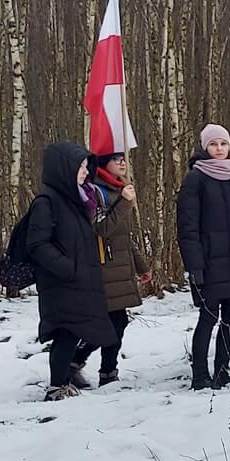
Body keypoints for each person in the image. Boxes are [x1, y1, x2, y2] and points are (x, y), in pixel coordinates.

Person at [23, 142, 118, 400]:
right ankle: (57, 387)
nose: (86, 172)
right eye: (80, 167)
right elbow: (37, 244)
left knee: (77, 331)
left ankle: (62, 382)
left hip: (79, 279)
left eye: (87, 167)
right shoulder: (47, 202)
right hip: (60, 281)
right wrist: (68, 268)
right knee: (67, 332)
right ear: (64, 169)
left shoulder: (76, 199)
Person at [177, 124, 230, 390]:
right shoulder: (195, 179)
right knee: (208, 317)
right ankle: (200, 374)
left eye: (223, 144)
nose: (219, 149)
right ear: (205, 147)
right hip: (209, 261)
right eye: (213, 144)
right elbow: (187, 226)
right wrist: (194, 265)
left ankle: (223, 370)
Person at [70, 151, 151, 386]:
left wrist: (141, 266)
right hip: (103, 268)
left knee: (117, 323)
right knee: (108, 324)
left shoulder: (118, 189)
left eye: (123, 159)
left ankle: (106, 372)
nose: (123, 162)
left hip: (119, 269)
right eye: (116, 159)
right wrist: (125, 203)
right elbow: (102, 229)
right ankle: (75, 362)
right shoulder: (96, 192)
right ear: (104, 164)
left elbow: (123, 237)